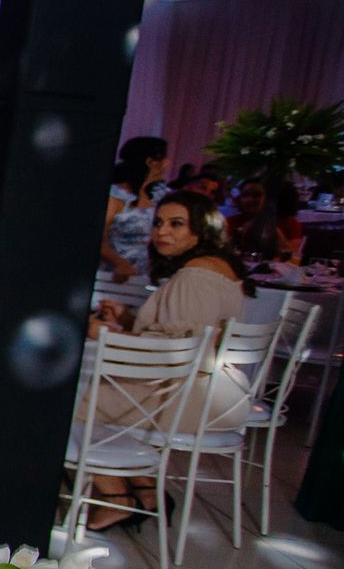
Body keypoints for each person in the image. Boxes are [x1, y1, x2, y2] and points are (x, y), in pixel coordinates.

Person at [85, 192, 255, 529]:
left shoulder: (194, 275)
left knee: (64, 402)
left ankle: (116, 496)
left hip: (187, 395)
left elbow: (173, 353)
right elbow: (185, 336)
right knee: (94, 388)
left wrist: (100, 334)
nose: (162, 232)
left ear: (201, 230)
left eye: (176, 224)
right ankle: (147, 493)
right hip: (212, 388)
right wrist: (129, 319)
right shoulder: (214, 267)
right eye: (159, 223)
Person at [100, 136, 170, 282]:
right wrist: (120, 262)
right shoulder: (115, 196)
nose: (167, 163)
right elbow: (99, 240)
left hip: (146, 276)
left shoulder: (158, 195)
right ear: (150, 162)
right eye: (164, 158)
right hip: (115, 276)